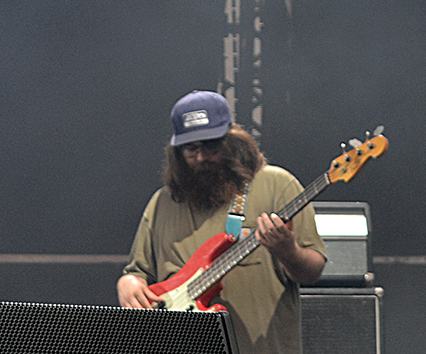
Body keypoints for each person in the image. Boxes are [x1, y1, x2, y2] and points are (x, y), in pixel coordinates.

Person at [118, 91, 327, 354]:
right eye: (191, 149)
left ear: (232, 141)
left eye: (211, 146)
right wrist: (128, 283)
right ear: (177, 151)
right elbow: (137, 273)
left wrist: (288, 251)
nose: (202, 157)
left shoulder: (277, 184)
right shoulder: (162, 203)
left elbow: (313, 272)